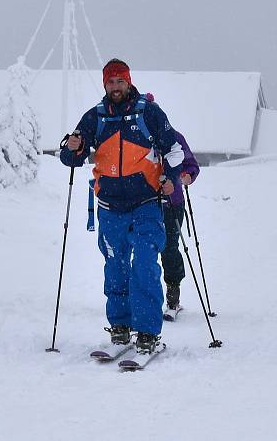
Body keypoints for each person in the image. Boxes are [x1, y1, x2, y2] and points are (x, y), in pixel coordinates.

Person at [60, 59, 184, 355]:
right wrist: (73, 147)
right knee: (115, 266)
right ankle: (119, 326)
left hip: (145, 204)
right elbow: (71, 159)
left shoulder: (149, 113)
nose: (115, 87)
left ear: (128, 82)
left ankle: (147, 332)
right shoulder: (96, 118)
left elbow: (175, 151)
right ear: (105, 85)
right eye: (110, 82)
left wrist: (171, 178)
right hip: (110, 207)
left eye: (120, 81)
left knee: (143, 265)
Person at [159, 128, 200, 318]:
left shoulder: (173, 136)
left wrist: (188, 176)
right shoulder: (135, 133)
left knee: (169, 248)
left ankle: (172, 300)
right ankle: (143, 301)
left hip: (172, 203)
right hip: (143, 204)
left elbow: (191, 164)